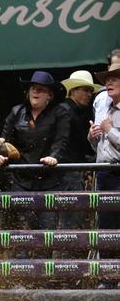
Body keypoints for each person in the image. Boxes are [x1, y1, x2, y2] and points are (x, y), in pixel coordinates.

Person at [0, 71, 69, 230]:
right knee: (22, 227)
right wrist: (1, 156)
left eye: (41, 89)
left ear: (49, 95)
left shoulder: (60, 113)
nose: (35, 92)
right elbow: (5, 140)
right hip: (21, 179)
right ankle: (20, 255)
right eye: (33, 88)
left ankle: (44, 255)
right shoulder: (16, 112)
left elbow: (61, 141)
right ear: (28, 92)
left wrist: (54, 157)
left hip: (49, 180)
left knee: (46, 228)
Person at [57, 70, 100, 229]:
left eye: (90, 91)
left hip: (71, 171)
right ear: (73, 90)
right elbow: (65, 145)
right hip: (68, 173)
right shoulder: (66, 112)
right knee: (70, 220)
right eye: (85, 90)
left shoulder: (73, 111)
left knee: (71, 219)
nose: (89, 94)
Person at [88, 61, 120, 229]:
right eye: (107, 80)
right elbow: (98, 148)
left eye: (114, 79)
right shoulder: (104, 109)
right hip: (104, 174)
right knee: (106, 226)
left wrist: (109, 130)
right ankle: (108, 256)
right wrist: (92, 136)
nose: (108, 83)